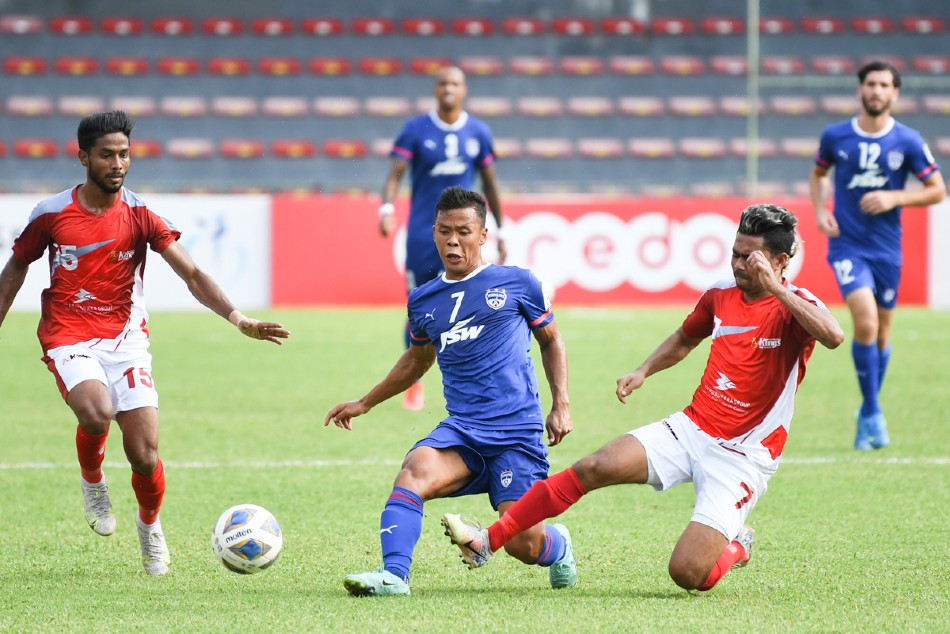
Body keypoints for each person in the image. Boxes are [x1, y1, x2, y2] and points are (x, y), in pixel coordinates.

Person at [442, 204, 845, 593]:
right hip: (692, 427)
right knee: (594, 466)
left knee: (688, 573)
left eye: (750, 258)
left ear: (780, 261)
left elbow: (834, 336)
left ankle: (738, 545)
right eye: (735, 254)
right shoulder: (720, 294)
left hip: (743, 455)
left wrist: (774, 287)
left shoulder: (797, 305)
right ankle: (488, 541)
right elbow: (686, 337)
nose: (738, 265)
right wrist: (643, 370)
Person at [0, 111, 290, 576]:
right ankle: (93, 480)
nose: (117, 164)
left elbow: (191, 273)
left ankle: (150, 526)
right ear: (83, 158)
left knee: (144, 454)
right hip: (68, 333)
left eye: (124, 154)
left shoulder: (141, 215)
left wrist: (238, 319)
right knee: (96, 412)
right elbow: (16, 267)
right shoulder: (51, 214)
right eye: (106, 155)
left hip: (126, 339)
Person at [326, 186, 573, 597]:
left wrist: (560, 404)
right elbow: (417, 360)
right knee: (413, 472)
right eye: (444, 231)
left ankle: (559, 544)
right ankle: (394, 576)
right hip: (463, 431)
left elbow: (551, 340)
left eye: (463, 231)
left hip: (516, 433)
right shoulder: (423, 300)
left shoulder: (518, 283)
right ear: (434, 233)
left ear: (483, 235)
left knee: (524, 546)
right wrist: (365, 402)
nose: (452, 241)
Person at [809, 60, 945, 451]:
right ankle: (871, 411)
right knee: (866, 323)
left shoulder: (908, 140)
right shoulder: (836, 135)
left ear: (895, 93)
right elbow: (818, 174)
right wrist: (820, 211)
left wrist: (895, 197)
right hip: (847, 246)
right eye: (871, 83)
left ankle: (867, 411)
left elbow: (937, 189)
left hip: (887, 249)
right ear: (860, 89)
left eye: (885, 85)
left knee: (883, 331)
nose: (877, 91)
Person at [377, 65, 506, 411]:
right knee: (419, 306)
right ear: (435, 89)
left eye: (455, 83)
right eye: (443, 83)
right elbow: (395, 174)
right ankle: (414, 383)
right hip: (424, 234)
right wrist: (386, 208)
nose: (449, 88)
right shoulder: (415, 129)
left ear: (464, 90)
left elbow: (490, 183)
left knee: (475, 302)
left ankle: (477, 379)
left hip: (466, 234)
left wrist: (502, 229)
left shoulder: (478, 131)